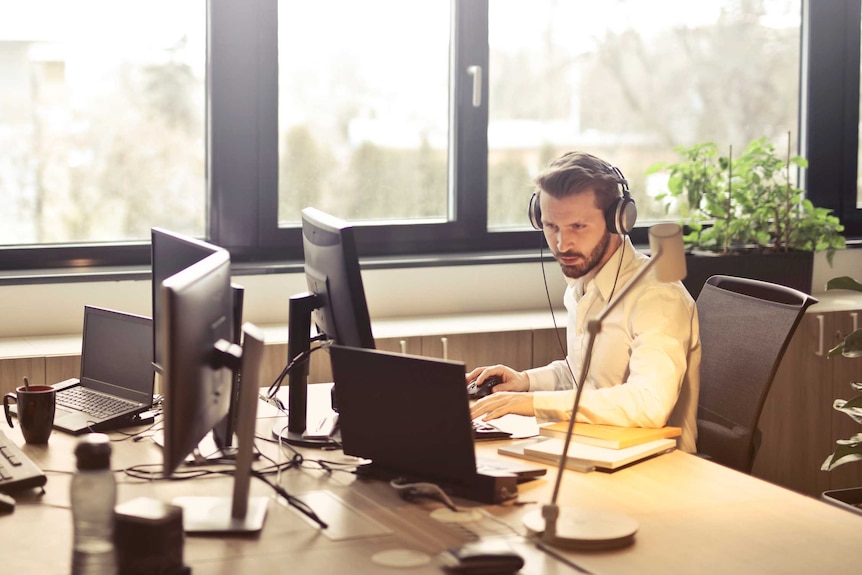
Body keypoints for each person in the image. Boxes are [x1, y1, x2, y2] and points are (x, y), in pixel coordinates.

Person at [469, 151, 701, 453]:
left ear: (618, 220)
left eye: (578, 227)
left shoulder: (657, 297)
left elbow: (649, 405)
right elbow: (583, 377)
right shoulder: (583, 284)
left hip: (656, 467)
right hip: (593, 448)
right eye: (551, 227)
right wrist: (525, 382)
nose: (562, 245)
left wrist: (534, 403)